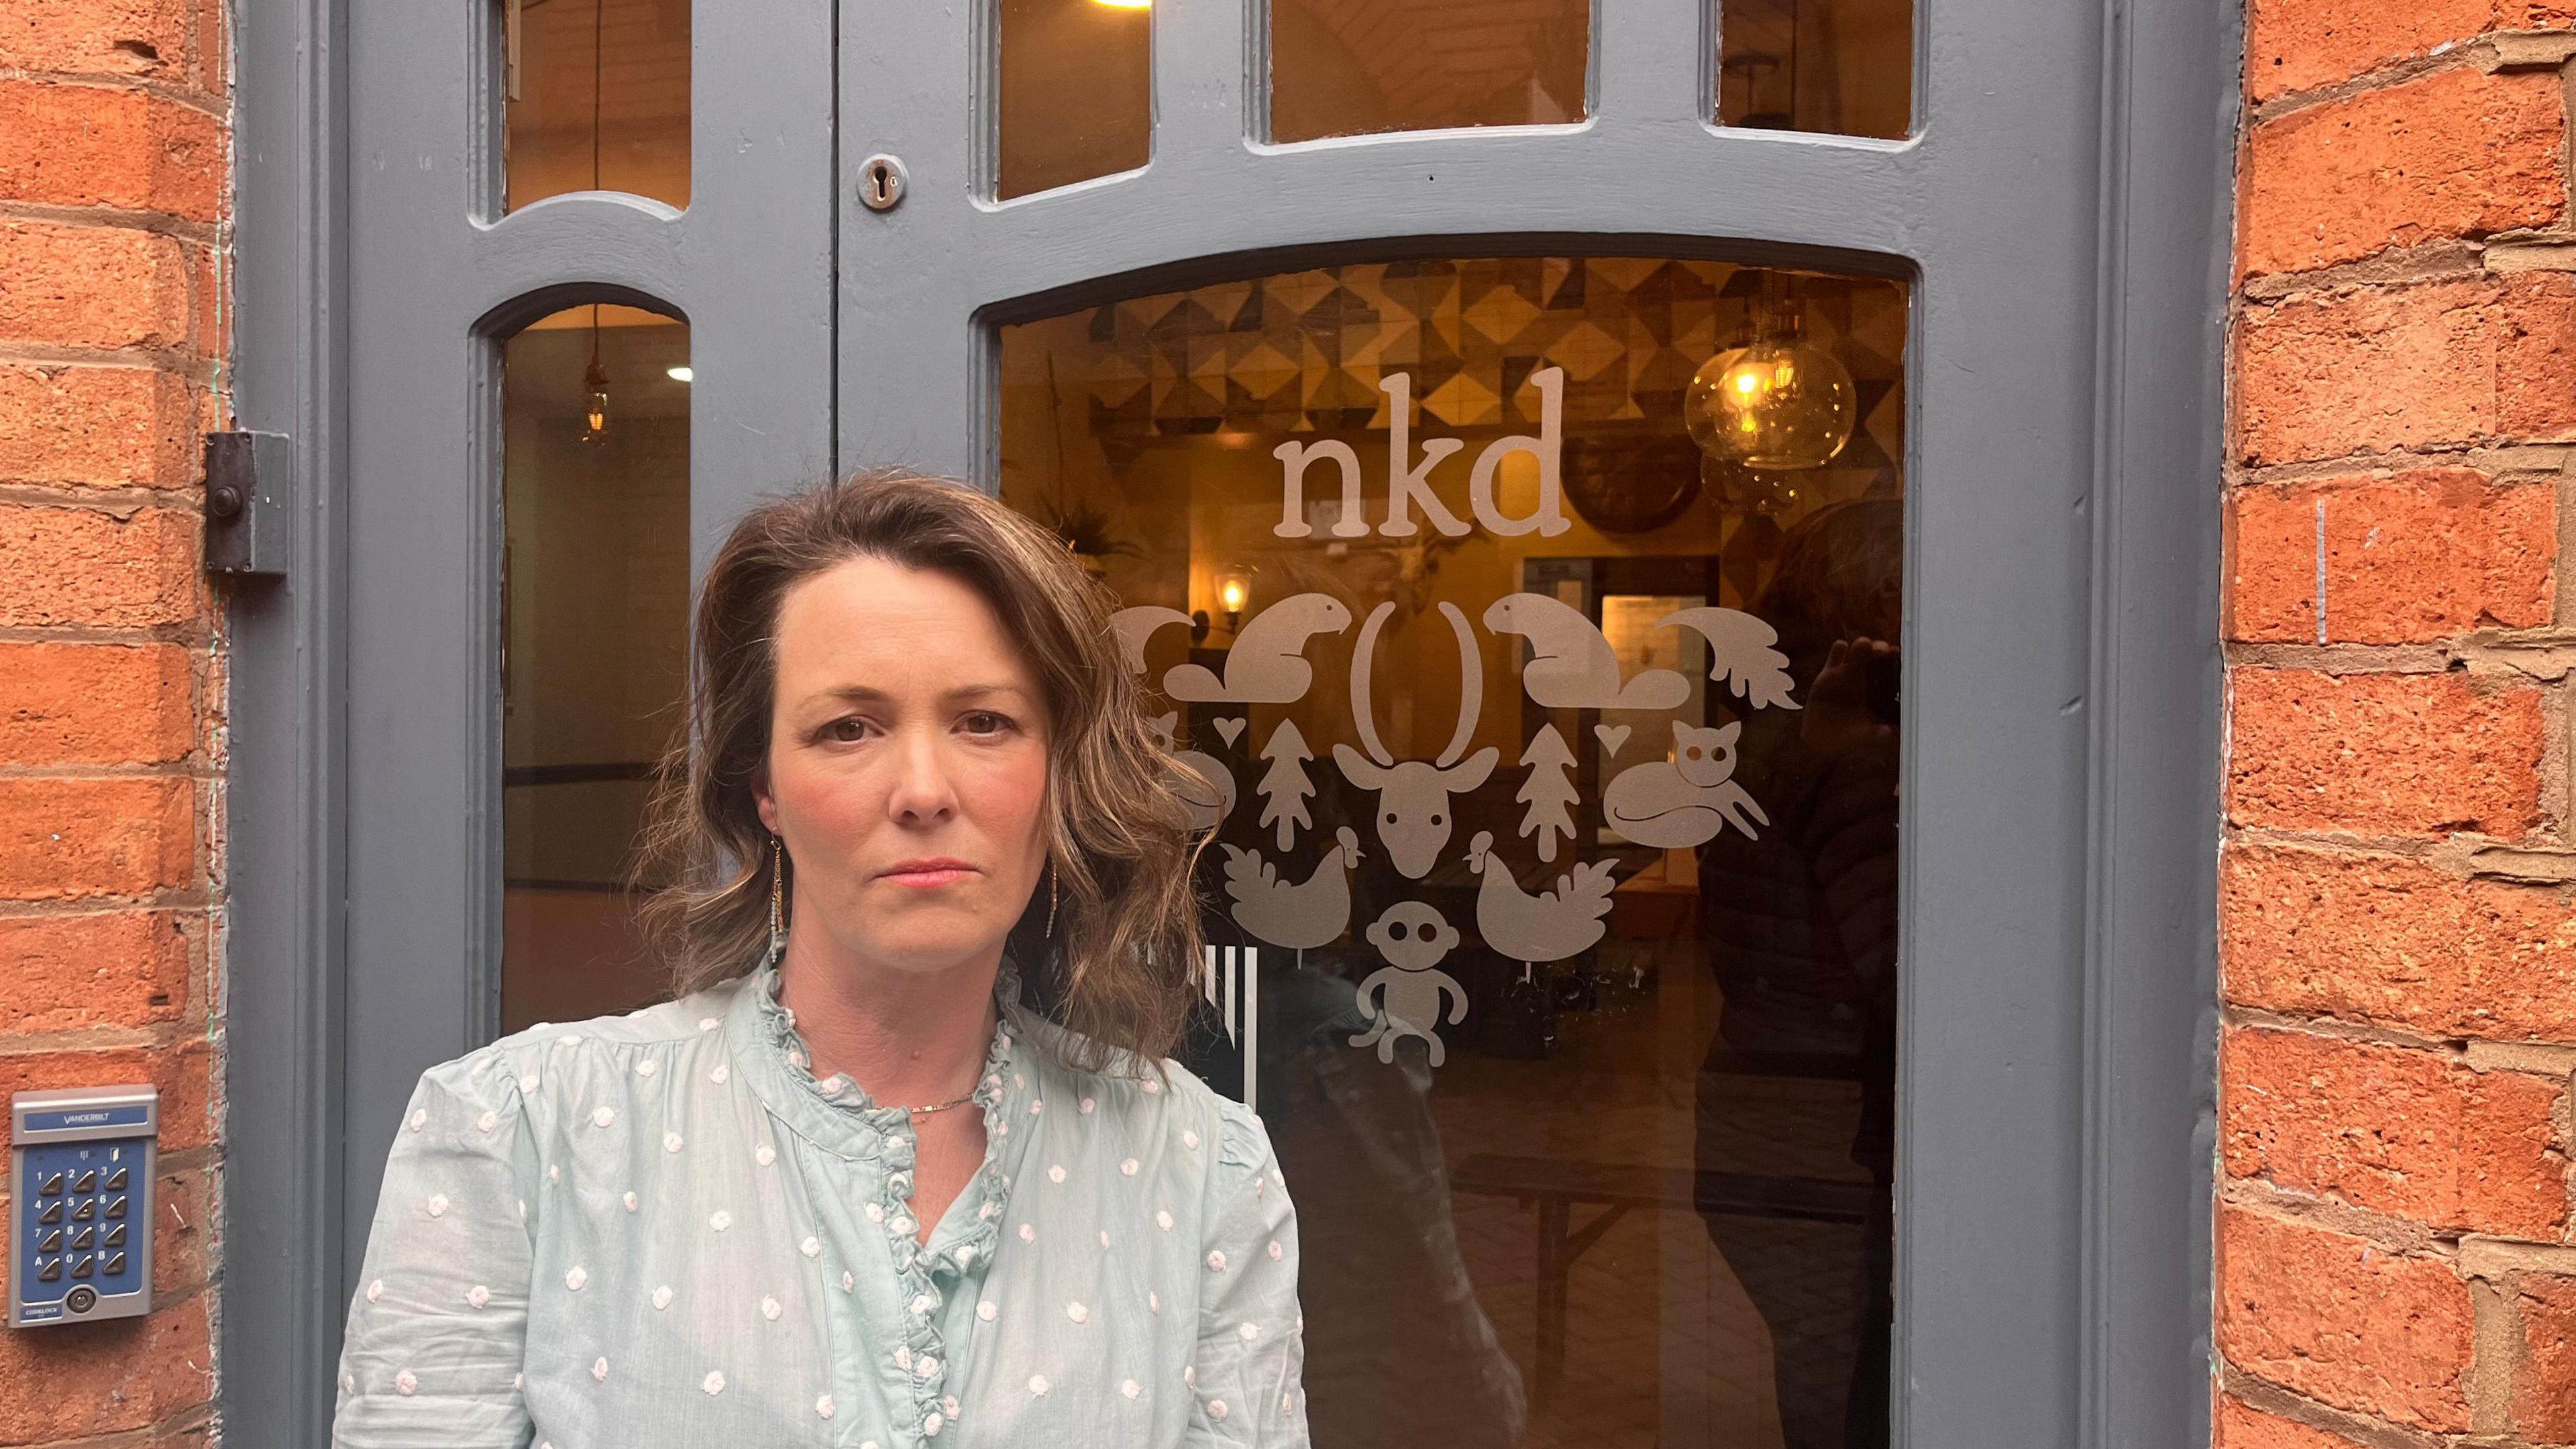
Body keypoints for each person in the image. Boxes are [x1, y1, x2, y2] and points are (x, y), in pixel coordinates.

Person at [331, 471, 1309, 1446]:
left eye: (985, 722)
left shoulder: (1202, 1172)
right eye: (849, 728)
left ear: (1056, 774)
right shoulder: (521, 1139)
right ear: (765, 789)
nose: (923, 789)